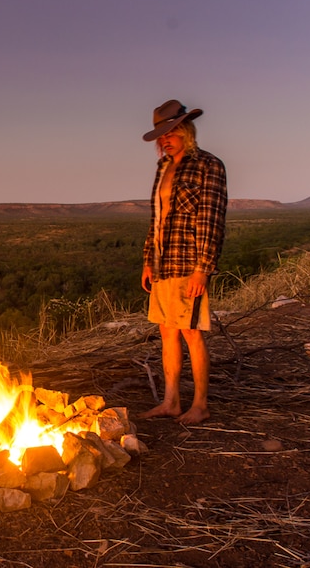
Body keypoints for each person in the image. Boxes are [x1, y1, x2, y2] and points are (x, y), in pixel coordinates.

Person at [138, 99, 227, 425]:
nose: (166, 139)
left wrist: (203, 269)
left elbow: (211, 220)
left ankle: (200, 405)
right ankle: (171, 401)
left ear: (187, 130)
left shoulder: (208, 165)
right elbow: (156, 219)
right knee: (167, 331)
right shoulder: (163, 168)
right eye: (162, 135)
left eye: (172, 131)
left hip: (188, 263)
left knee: (191, 333)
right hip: (163, 263)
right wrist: (148, 261)